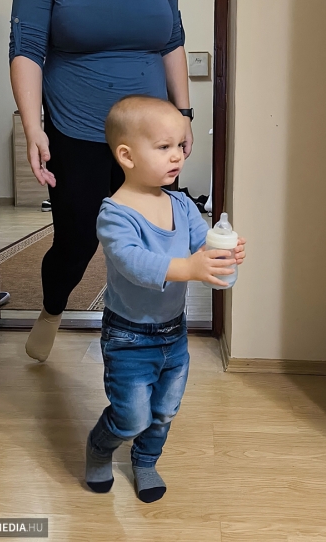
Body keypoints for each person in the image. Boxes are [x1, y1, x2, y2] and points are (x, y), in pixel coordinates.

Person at [9, 0, 194, 362]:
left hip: (151, 135)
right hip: (78, 131)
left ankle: (141, 344)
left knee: (152, 238)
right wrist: (33, 127)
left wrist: (183, 115)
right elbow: (27, 48)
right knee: (77, 242)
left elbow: (172, 40)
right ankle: (52, 308)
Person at [85, 96, 246, 502]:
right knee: (130, 416)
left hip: (174, 333)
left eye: (179, 146)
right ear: (127, 155)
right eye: (163, 147)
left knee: (163, 411)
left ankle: (145, 461)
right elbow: (134, 263)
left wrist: (221, 252)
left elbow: (201, 248)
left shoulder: (182, 205)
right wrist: (189, 267)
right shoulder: (115, 213)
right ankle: (100, 446)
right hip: (128, 337)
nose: (177, 156)